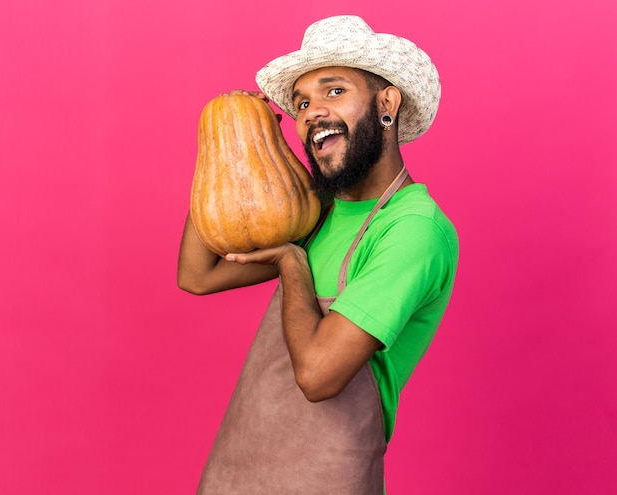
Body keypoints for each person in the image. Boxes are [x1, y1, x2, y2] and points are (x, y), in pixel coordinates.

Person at [178, 15, 459, 495]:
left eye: (333, 92)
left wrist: (292, 264)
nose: (310, 113)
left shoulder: (412, 228)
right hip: (241, 471)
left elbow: (317, 376)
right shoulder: (319, 210)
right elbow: (198, 274)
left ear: (386, 102)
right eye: (302, 102)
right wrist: (231, 145)